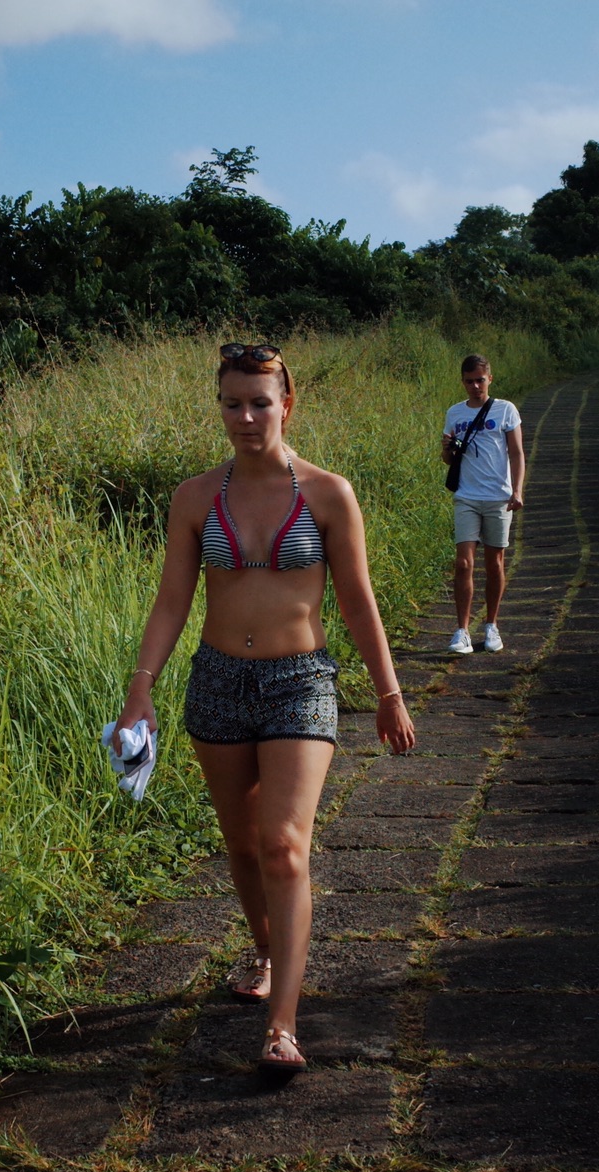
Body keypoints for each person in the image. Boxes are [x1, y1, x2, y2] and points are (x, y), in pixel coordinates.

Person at [117, 342, 416, 1077]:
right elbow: (173, 598)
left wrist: (388, 693)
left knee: (285, 845)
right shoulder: (194, 497)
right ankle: (260, 945)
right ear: (219, 407)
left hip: (299, 681)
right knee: (243, 846)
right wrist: (141, 685)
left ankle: (282, 1025)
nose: (246, 417)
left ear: (288, 403)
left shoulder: (327, 493)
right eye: (232, 403)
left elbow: (356, 599)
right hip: (217, 680)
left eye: (259, 401)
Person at [442, 353, 524, 654]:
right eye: (469, 381)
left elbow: (516, 453)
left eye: (480, 380)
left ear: (489, 378)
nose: (475, 386)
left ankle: (492, 625)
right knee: (463, 563)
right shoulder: (455, 413)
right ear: (462, 382)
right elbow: (448, 458)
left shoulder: (505, 410)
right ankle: (462, 630)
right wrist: (448, 449)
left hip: (498, 497)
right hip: (466, 495)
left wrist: (517, 491)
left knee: (495, 563)